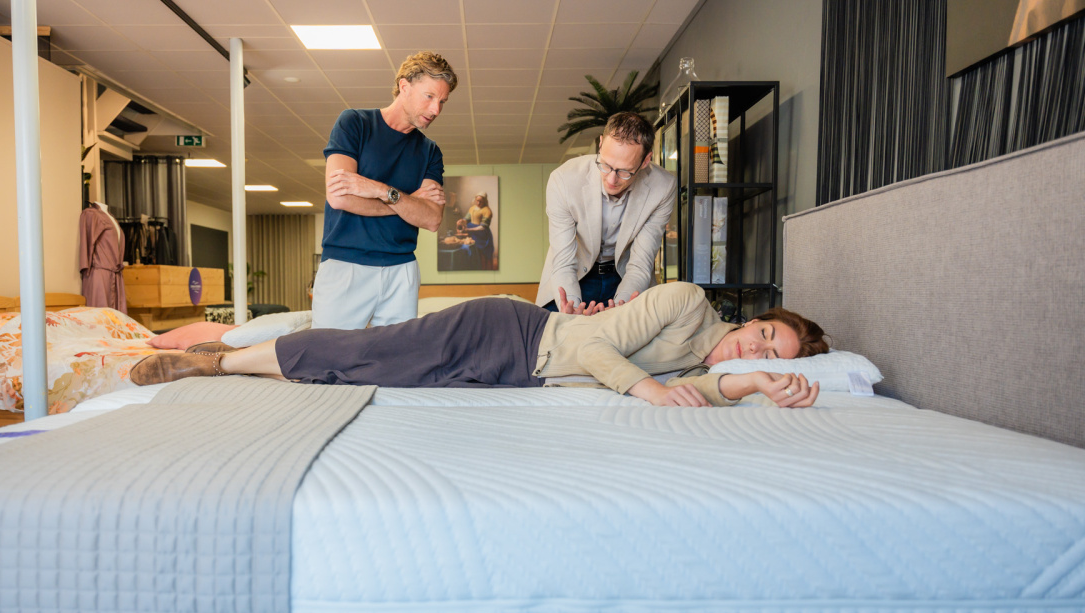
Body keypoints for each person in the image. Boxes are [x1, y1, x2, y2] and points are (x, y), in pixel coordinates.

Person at [131, 282, 829, 408]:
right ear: (753, 319)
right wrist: (646, 388)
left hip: (514, 375)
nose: (759, 350)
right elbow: (596, 352)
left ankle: (228, 367)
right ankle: (215, 361)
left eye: (774, 358)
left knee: (363, 376)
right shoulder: (686, 303)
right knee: (365, 352)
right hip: (508, 333)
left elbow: (701, 392)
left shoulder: (708, 364)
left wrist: (754, 385)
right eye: (766, 335)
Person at [314, 51, 458, 330]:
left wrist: (379, 190)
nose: (436, 110)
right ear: (404, 86)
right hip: (346, 264)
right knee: (330, 353)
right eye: (429, 96)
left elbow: (431, 219)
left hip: (401, 269)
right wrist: (408, 202)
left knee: (396, 356)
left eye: (442, 101)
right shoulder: (354, 123)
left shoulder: (430, 151)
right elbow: (340, 197)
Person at [536, 111, 674, 316]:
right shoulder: (563, 180)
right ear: (600, 144)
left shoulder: (663, 187)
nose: (611, 179)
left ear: (645, 161)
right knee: (556, 329)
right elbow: (563, 261)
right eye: (606, 165)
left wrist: (620, 309)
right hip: (574, 273)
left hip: (625, 275)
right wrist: (571, 309)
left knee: (633, 332)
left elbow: (641, 263)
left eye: (624, 171)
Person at [464, 192, 494, 270]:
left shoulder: (487, 211)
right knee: (469, 248)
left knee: (479, 251)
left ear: (485, 201)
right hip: (472, 233)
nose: (478, 203)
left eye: (481, 201)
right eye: (477, 201)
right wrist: (461, 221)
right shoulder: (472, 208)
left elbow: (483, 227)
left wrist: (469, 229)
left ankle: (482, 268)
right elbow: (466, 219)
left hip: (482, 234)